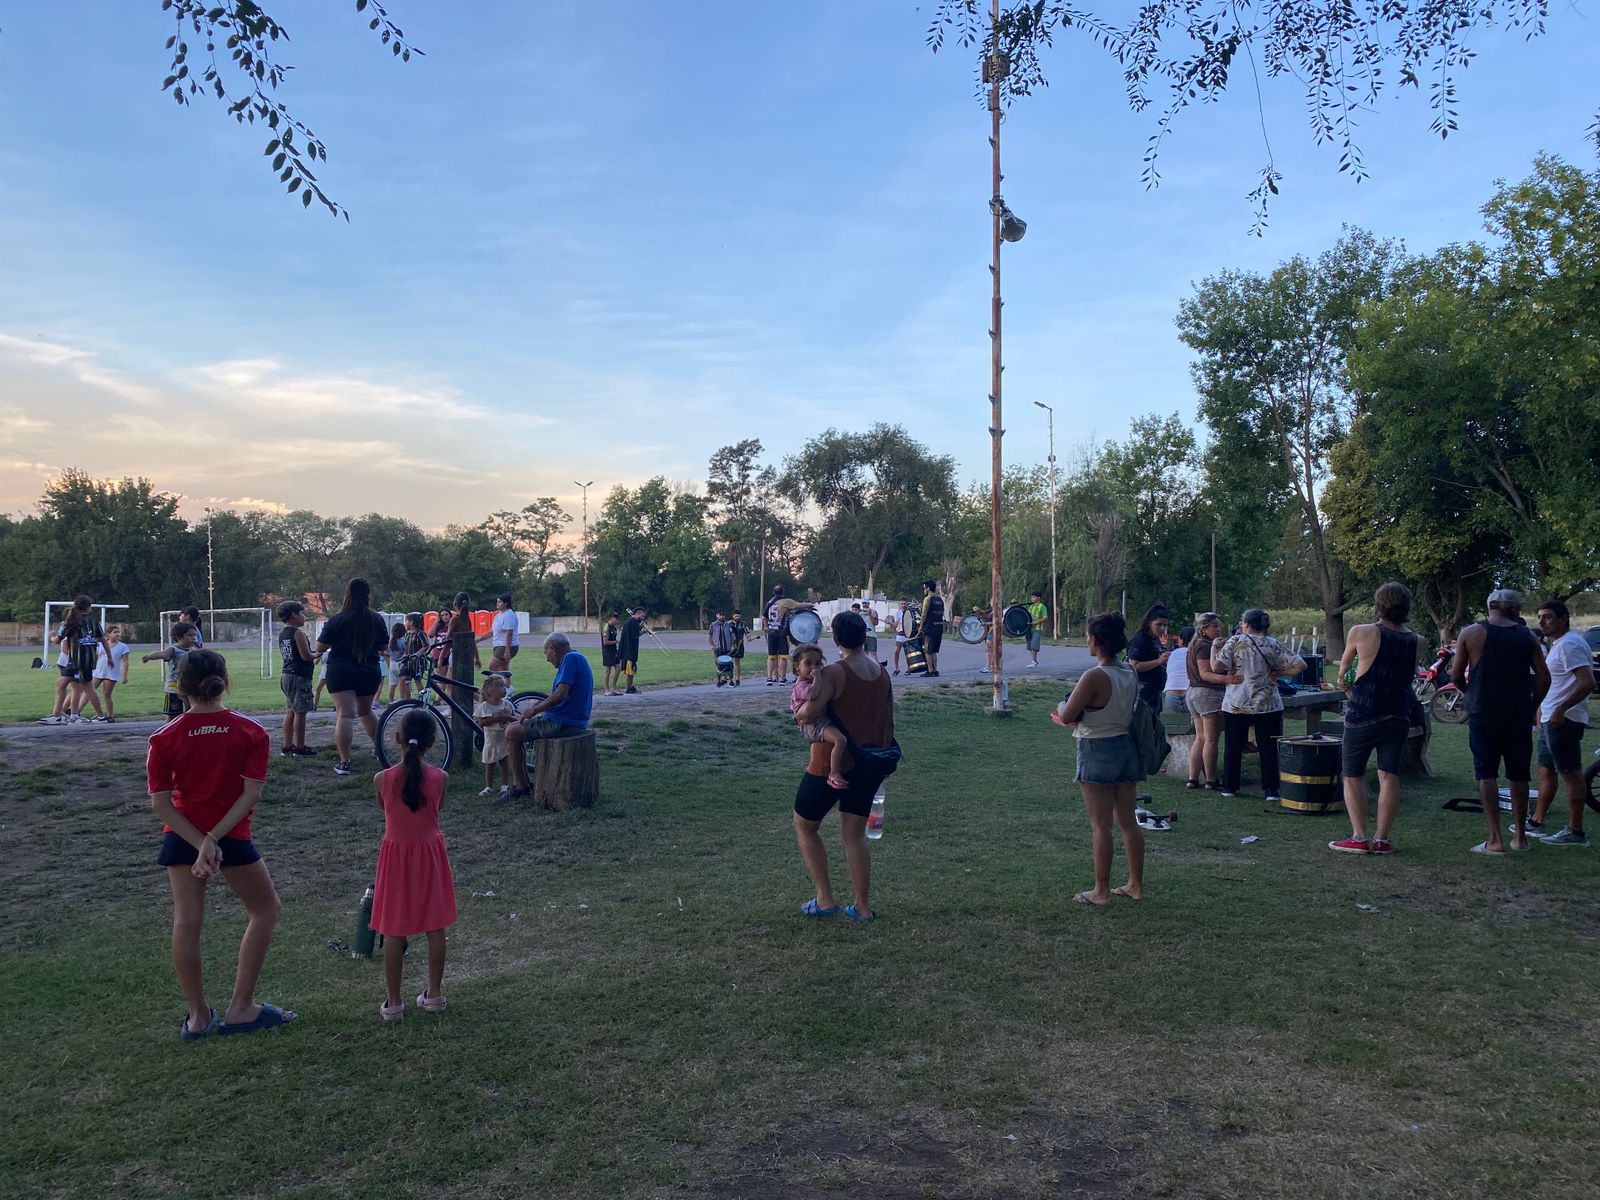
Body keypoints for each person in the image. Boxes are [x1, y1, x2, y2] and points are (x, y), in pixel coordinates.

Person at [147, 648, 295, 1039]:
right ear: (225, 682)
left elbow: (162, 805)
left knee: (186, 922)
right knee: (265, 910)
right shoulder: (251, 731)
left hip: (183, 837)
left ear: (181, 687)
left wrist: (201, 842)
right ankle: (241, 1007)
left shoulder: (164, 736)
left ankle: (198, 1017)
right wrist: (212, 839)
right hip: (231, 836)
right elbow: (251, 794)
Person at [791, 612, 894, 923]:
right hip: (869, 763)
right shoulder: (880, 671)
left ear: (835, 640)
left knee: (805, 825)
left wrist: (799, 714)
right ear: (864, 636)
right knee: (854, 835)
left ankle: (824, 898)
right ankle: (862, 906)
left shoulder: (835, 672)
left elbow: (809, 712)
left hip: (830, 763)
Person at [1050, 611, 1147, 906]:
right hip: (1126, 747)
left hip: (1096, 748)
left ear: (1095, 640)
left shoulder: (1094, 676)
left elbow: (1068, 714)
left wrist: (1062, 704)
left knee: (1100, 825)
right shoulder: (1129, 672)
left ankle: (1100, 891)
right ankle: (1135, 884)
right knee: (1128, 821)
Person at [371, 707, 457, 1021]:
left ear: (397, 739)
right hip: (430, 856)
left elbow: (385, 809)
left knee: (393, 929)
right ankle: (434, 994)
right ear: (432, 742)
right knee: (435, 926)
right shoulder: (440, 778)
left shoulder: (382, 779)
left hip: (396, 859)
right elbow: (436, 810)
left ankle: (394, 1002)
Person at [1453, 589, 1550, 854]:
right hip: (1517, 715)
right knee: (1519, 774)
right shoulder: (1527, 636)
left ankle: (1495, 839)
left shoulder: (1470, 633)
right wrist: (1532, 706)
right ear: (1513, 609)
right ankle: (1520, 837)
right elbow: (1544, 678)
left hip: (1483, 714)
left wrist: (1471, 694)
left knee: (1486, 773)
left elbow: (1456, 676)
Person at [1330, 582, 1422, 855]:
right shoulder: (1417, 640)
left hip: (1364, 713)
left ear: (1379, 604)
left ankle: (1359, 837)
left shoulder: (1361, 631)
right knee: (1389, 775)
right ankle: (1382, 839)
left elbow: (1344, 671)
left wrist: (1346, 687)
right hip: (1399, 714)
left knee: (1352, 775)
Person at [1211, 609, 1306, 801]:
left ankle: (1229, 787)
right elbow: (1301, 665)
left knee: (1233, 746)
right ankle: (1271, 790)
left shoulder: (1235, 641)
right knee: (1269, 747)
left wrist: (1214, 647)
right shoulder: (1272, 643)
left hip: (1237, 702)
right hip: (1268, 703)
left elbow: (1216, 666)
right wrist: (1278, 673)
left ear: (1246, 624)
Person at [1530, 597, 1595, 846]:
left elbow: (1587, 682)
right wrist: (1542, 710)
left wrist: (1560, 709)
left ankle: (1575, 831)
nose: (1542, 622)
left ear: (1563, 619)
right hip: (1549, 719)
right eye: (1540, 617)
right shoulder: (1558, 644)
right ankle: (1536, 822)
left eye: (1547, 617)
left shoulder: (1571, 644)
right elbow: (1557, 683)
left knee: (1570, 773)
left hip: (1564, 720)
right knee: (1546, 770)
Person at [503, 633, 595, 798]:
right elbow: (564, 694)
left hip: (563, 722)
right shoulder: (578, 657)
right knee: (515, 727)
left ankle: (520, 787)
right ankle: (524, 784)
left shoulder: (569, 659)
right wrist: (540, 704)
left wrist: (535, 710)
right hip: (573, 720)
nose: (547, 659)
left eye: (546, 653)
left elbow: (561, 693)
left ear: (552, 649)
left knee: (511, 732)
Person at [315, 578, 390, 778]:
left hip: (341, 671)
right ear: (367, 595)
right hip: (369, 670)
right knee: (366, 711)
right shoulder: (376, 619)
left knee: (345, 714)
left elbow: (321, 646)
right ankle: (380, 751)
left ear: (347, 594)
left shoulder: (337, 619)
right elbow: (384, 646)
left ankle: (344, 762)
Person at [1183, 613, 1235, 790]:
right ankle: (1211, 780)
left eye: (1219, 625)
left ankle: (1193, 778)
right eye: (1214, 626)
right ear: (1203, 628)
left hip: (1193, 692)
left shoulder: (1194, 645)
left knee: (1200, 738)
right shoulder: (1204, 646)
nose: (1219, 629)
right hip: (1208, 694)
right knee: (1211, 740)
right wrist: (1228, 679)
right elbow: (1205, 673)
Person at [790, 644, 849, 789]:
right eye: (808, 663)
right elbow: (813, 694)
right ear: (797, 667)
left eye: (818, 664)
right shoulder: (801, 686)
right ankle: (834, 774)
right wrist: (818, 677)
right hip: (812, 724)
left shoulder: (809, 681)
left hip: (819, 721)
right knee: (840, 740)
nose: (814, 668)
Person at [275, 601, 317, 758]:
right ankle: (300, 747)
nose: (304, 616)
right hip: (299, 677)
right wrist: (319, 654)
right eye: (302, 613)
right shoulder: (297, 633)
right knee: (300, 712)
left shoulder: (283, 634)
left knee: (291, 711)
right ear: (294, 615)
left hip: (286, 675)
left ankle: (287, 745)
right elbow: (306, 656)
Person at [60, 596, 107, 721]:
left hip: (76, 661)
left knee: (65, 685)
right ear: (88, 607)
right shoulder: (93, 621)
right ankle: (74, 715)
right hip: (88, 660)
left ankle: (60, 714)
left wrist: (53, 637)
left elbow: (60, 639)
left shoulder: (72, 620)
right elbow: (102, 639)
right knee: (80, 687)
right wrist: (109, 656)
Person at [144, 621, 200, 722]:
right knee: (172, 716)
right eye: (189, 635)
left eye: (194, 635)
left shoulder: (195, 651)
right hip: (174, 688)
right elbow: (163, 654)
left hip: (188, 687)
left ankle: (187, 728)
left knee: (191, 712)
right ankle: (168, 730)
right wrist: (149, 657)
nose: (193, 638)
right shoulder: (174, 649)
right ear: (179, 637)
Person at [474, 673, 517, 798]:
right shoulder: (485, 707)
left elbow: (515, 719)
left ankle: (504, 785)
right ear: (491, 691)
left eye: (505, 686)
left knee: (504, 762)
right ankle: (489, 786)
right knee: (490, 764)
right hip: (491, 741)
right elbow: (481, 722)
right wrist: (497, 718)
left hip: (504, 739)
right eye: (501, 687)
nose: (505, 689)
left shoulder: (507, 705)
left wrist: (508, 717)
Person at [1126, 604, 1172, 715]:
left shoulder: (1154, 639)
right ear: (1149, 623)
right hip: (1142, 691)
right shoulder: (1140, 640)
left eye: (1165, 625)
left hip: (1154, 690)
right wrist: (1158, 661)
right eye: (1158, 624)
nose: (1162, 628)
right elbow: (1134, 666)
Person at [92, 624, 132, 722]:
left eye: (118, 632)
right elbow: (96, 657)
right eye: (115, 632)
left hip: (111, 672)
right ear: (108, 634)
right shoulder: (101, 644)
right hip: (99, 671)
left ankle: (110, 716)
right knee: (90, 691)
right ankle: (97, 714)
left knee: (107, 694)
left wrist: (124, 676)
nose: (117, 634)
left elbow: (125, 662)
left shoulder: (123, 646)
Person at [484, 594, 519, 676]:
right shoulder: (499, 615)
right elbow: (492, 631)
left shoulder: (509, 615)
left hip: (504, 646)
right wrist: (479, 639)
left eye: (500, 602)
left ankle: (496, 683)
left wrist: (507, 651)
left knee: (492, 667)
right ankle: (504, 684)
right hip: (499, 645)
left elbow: (509, 633)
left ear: (506, 604)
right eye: (497, 601)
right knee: (504, 670)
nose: (497, 603)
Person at [397, 612, 428, 701]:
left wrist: (416, 655)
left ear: (411, 622)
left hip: (417, 662)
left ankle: (422, 700)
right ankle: (406, 700)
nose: (405, 623)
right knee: (403, 679)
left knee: (417, 680)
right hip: (407, 662)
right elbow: (406, 647)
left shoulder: (420, 633)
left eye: (406, 621)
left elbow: (426, 646)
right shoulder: (407, 634)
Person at [1163, 625, 1192, 712]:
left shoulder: (1171, 654)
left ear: (1182, 640)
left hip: (1170, 698)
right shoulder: (1196, 654)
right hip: (1189, 697)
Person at [764, 586, 790, 685]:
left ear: (774, 593)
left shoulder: (769, 603)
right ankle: (782, 679)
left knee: (771, 656)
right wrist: (809, 604)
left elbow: (764, 617)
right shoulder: (785, 602)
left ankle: (769, 678)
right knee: (783, 657)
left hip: (771, 632)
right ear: (783, 593)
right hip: (782, 632)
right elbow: (797, 605)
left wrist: (767, 628)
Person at [921, 579, 946, 677]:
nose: (923, 590)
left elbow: (924, 614)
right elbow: (941, 612)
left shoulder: (927, 599)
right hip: (939, 627)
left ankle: (930, 670)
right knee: (934, 651)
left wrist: (921, 626)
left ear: (928, 588)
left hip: (929, 628)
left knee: (927, 650)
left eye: (924, 588)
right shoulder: (940, 599)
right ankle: (935, 670)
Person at [618, 607, 645, 695]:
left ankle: (630, 686)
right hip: (629, 651)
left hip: (629, 651)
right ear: (638, 613)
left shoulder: (631, 621)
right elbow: (634, 635)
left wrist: (640, 627)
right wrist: (643, 631)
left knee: (632, 670)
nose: (643, 618)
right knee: (629, 671)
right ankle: (627, 687)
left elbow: (635, 630)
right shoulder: (633, 622)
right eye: (642, 616)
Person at [891, 598, 918, 676]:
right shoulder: (898, 613)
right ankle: (896, 669)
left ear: (907, 604)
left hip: (908, 635)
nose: (903, 605)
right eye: (902, 604)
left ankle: (909, 669)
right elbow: (896, 625)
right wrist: (891, 623)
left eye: (904, 604)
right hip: (900, 635)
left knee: (908, 653)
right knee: (896, 652)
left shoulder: (910, 612)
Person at [709, 609, 736, 686]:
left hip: (727, 649)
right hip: (718, 649)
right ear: (717, 615)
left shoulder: (728, 625)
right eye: (720, 615)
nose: (721, 616)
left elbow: (732, 636)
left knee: (730, 665)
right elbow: (710, 636)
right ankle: (718, 681)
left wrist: (733, 645)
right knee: (719, 665)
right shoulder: (713, 625)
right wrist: (711, 645)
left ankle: (730, 681)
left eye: (723, 615)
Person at [600, 611, 622, 696]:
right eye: (616, 619)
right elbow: (605, 642)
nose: (617, 621)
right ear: (611, 618)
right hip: (607, 651)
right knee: (607, 670)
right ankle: (606, 690)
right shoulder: (606, 627)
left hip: (614, 650)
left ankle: (613, 687)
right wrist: (616, 642)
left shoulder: (614, 628)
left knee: (618, 668)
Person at [385, 621, 407, 703]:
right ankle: (402, 699)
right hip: (401, 664)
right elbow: (406, 652)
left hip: (392, 664)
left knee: (392, 684)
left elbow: (385, 653)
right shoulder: (403, 642)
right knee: (402, 683)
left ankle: (390, 701)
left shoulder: (390, 642)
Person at [1026, 590, 1049, 668]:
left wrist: (1035, 622)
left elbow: (1045, 618)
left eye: (1034, 597)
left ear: (1038, 598)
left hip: (1037, 629)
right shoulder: (1030, 606)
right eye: (1032, 597)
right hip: (1029, 629)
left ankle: (1034, 662)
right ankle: (1033, 660)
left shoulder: (1042, 607)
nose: (1032, 599)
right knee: (1030, 645)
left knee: (1034, 645)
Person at [728, 608, 749, 685]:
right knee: (729, 663)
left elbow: (747, 633)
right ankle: (730, 679)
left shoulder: (743, 624)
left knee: (737, 663)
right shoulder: (729, 624)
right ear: (733, 616)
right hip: (730, 646)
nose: (737, 617)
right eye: (736, 616)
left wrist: (749, 638)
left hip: (739, 645)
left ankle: (737, 679)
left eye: (738, 616)